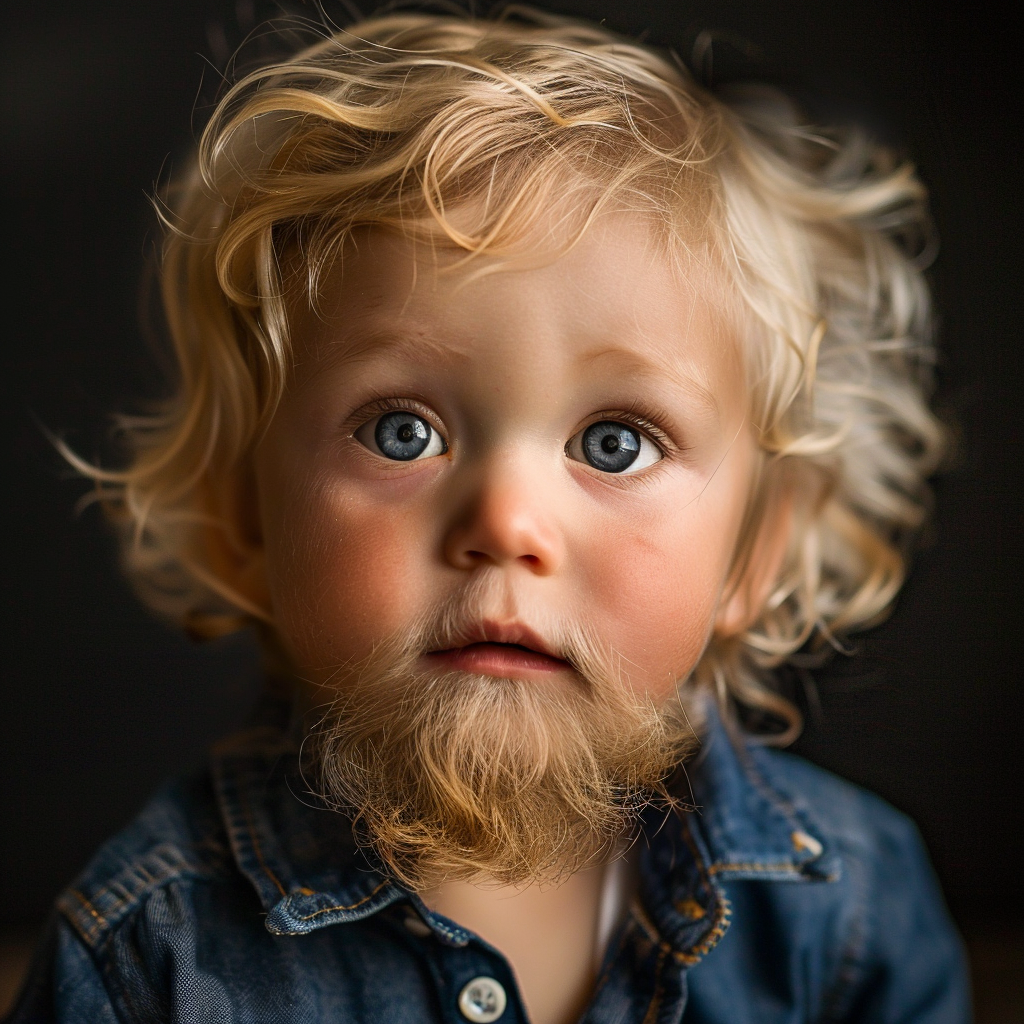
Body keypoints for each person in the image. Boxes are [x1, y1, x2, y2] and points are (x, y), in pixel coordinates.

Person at [6, 7, 969, 1023]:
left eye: (615, 442)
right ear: (244, 518)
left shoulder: (849, 917)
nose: (507, 522)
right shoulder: (148, 963)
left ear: (751, 555)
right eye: (401, 431)